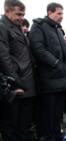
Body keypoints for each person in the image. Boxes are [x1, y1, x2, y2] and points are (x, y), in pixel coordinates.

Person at [28, 2, 66, 141]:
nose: (62, 16)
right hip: (49, 78)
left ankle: (56, 135)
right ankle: (49, 137)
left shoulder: (57, 29)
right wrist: (55, 63)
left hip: (62, 79)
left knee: (57, 112)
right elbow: (37, 48)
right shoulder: (38, 26)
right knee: (48, 112)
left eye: (62, 13)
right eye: (59, 13)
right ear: (50, 12)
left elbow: (63, 52)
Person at [0, 0, 36, 141]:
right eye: (18, 14)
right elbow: (3, 58)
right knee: (11, 126)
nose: (21, 18)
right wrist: (16, 83)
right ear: (7, 11)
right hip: (16, 86)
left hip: (26, 84)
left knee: (24, 125)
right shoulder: (3, 28)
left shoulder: (16, 27)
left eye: (23, 14)